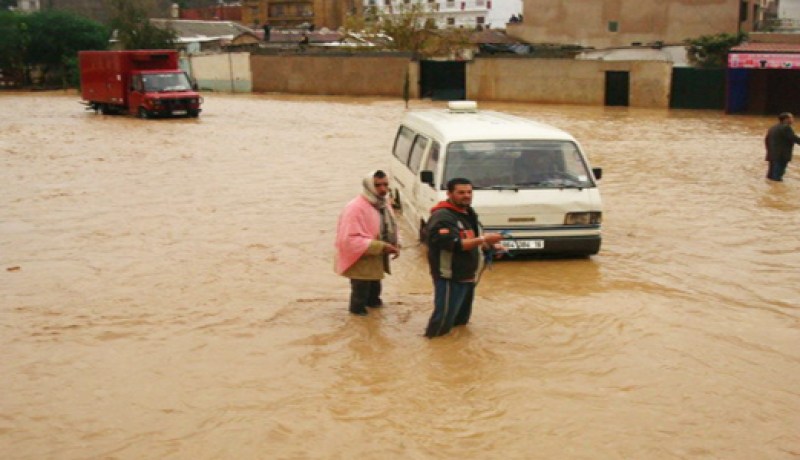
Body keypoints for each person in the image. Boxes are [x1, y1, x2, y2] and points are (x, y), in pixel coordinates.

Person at [424, 178, 504, 338]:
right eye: (461, 192)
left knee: (460, 322)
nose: (466, 196)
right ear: (449, 194)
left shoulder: (469, 213)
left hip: (468, 276)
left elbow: (474, 237)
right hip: (449, 277)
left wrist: (491, 247)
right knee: (441, 324)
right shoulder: (442, 217)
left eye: (469, 192)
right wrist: (484, 240)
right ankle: (435, 352)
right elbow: (455, 244)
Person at [334, 170, 400, 316]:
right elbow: (348, 239)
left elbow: (391, 226)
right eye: (378, 185)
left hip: (376, 257)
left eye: (385, 184)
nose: (383, 189)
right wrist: (382, 246)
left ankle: (372, 328)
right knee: (359, 300)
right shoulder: (355, 208)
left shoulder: (383, 203)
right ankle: (359, 328)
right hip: (360, 259)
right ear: (369, 186)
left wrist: (396, 243)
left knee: (375, 297)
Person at [765, 112, 800, 182]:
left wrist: (769, 151)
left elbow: (766, 140)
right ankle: (775, 191)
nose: (793, 119)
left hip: (772, 154)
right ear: (786, 119)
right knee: (777, 177)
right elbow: (793, 138)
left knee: (770, 176)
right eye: (791, 118)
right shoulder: (786, 127)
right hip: (781, 156)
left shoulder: (773, 127)